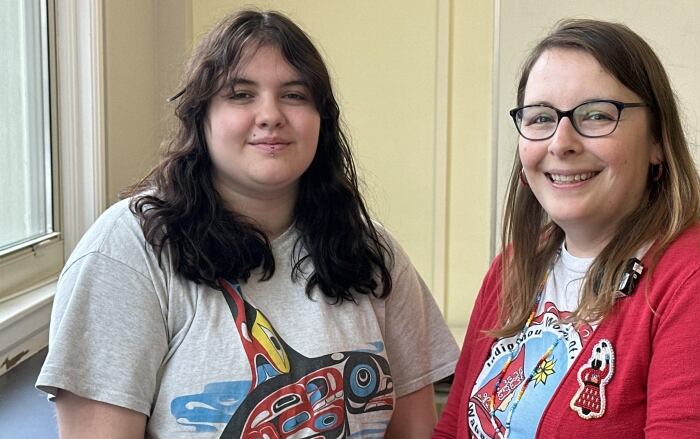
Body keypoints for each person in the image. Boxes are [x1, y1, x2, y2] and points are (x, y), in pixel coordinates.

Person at [36, 9, 459, 438]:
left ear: (322, 121)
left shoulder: (373, 255)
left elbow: (415, 431)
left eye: (295, 95)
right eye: (241, 94)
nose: (270, 114)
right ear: (201, 117)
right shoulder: (129, 250)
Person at [433, 19, 700, 438]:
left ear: (657, 140)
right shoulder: (515, 266)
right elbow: (453, 430)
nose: (561, 143)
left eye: (596, 115)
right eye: (541, 117)